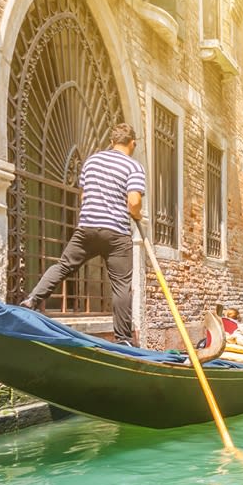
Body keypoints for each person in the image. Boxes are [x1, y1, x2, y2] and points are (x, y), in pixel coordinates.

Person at [19, 123, 145, 346]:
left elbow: (83, 197)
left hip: (87, 228)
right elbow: (133, 202)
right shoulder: (133, 166)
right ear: (132, 142)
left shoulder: (92, 161)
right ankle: (124, 339)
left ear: (112, 141)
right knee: (121, 285)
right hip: (117, 233)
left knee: (63, 266)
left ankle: (32, 299)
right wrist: (137, 214)